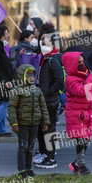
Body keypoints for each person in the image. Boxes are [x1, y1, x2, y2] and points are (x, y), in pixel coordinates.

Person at [7, 64, 49, 179]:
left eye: (33, 74)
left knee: (30, 147)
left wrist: (45, 122)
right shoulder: (16, 90)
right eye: (28, 74)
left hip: (34, 124)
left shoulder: (37, 90)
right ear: (22, 76)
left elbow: (43, 107)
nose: (31, 76)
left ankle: (29, 169)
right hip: (22, 125)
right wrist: (14, 123)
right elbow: (12, 108)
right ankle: (22, 171)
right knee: (22, 147)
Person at [62, 52, 92, 175]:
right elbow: (82, 90)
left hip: (86, 112)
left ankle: (75, 163)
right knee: (80, 139)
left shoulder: (85, 75)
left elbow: (91, 87)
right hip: (76, 113)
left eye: (82, 61)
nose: (81, 64)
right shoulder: (70, 79)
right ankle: (81, 166)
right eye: (78, 62)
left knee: (86, 139)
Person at [34, 32, 64, 169]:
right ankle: (47, 155)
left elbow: (59, 81)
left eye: (47, 43)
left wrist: (48, 93)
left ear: (53, 45)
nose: (44, 45)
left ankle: (52, 159)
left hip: (50, 101)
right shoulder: (45, 59)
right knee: (45, 129)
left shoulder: (53, 60)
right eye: (43, 43)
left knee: (50, 129)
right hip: (45, 99)